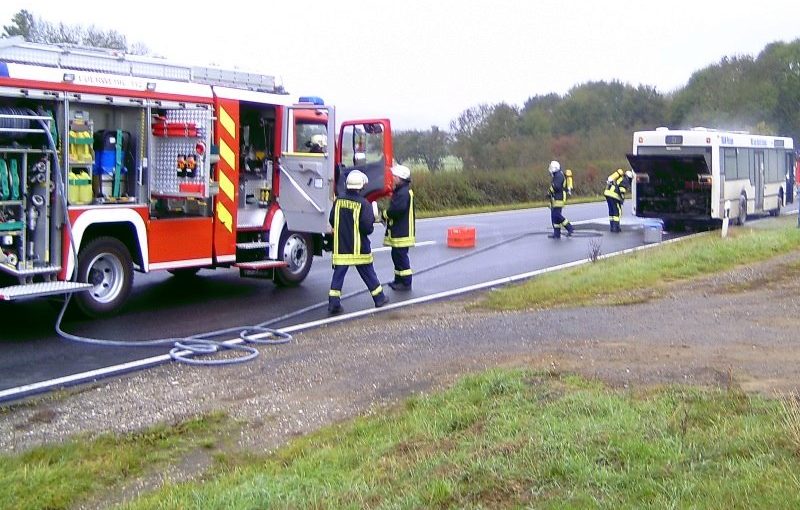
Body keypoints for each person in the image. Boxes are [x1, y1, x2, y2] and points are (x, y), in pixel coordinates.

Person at [328, 170, 389, 314]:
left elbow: (332, 220)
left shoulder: (338, 201)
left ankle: (333, 304)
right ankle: (379, 298)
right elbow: (367, 228)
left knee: (338, 276)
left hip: (341, 247)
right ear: (361, 186)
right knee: (368, 273)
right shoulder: (364, 204)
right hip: (358, 248)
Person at [383, 164, 415, 290]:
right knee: (396, 256)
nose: (393, 178)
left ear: (400, 178)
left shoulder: (403, 193)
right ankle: (398, 280)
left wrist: (385, 214)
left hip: (402, 232)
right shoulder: (401, 191)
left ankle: (406, 283)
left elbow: (397, 210)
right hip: (399, 230)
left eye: (395, 176)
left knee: (401, 257)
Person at [546, 160, 574, 239]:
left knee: (556, 215)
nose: (550, 169)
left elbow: (556, 186)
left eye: (551, 167)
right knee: (554, 217)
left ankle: (569, 227)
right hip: (556, 197)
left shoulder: (558, 176)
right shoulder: (557, 175)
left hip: (560, 197)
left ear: (554, 168)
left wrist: (549, 192)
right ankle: (557, 234)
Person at [604, 168, 634, 233]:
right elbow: (622, 189)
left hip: (608, 193)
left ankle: (612, 227)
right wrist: (622, 199)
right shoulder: (625, 180)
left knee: (611, 211)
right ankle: (616, 228)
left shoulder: (620, 178)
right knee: (617, 212)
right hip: (614, 196)